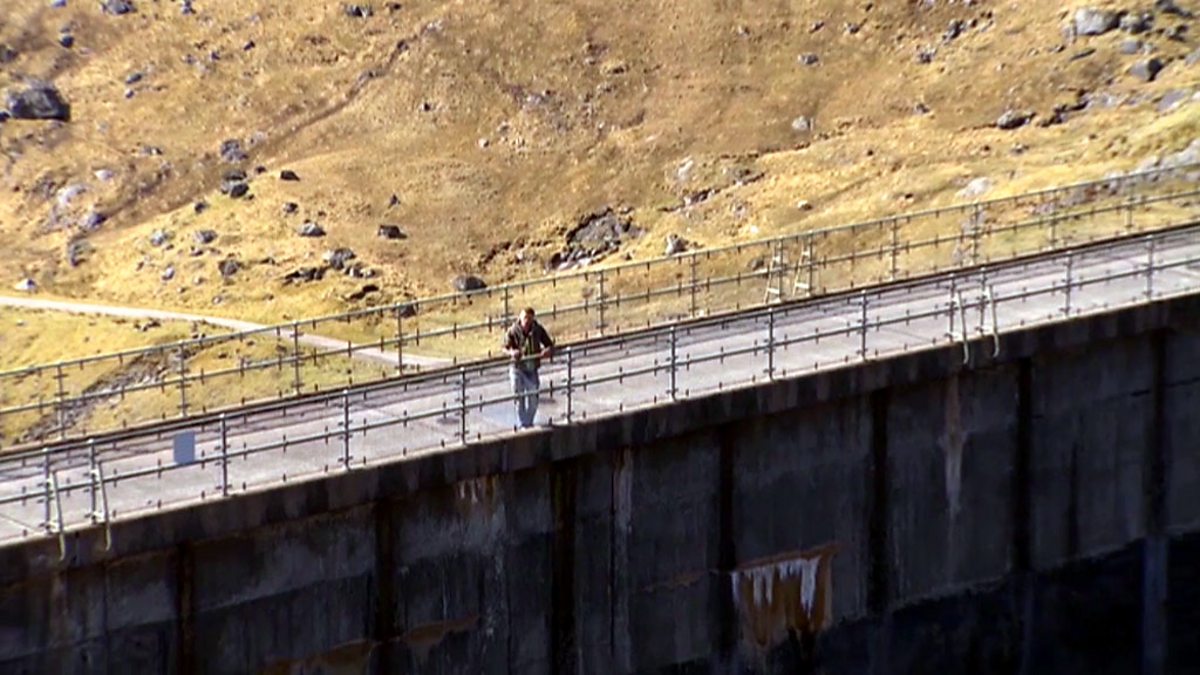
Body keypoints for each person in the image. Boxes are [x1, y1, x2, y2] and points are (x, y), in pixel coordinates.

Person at [503, 307, 555, 428]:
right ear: (520, 318)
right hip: (517, 368)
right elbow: (504, 347)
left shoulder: (538, 330)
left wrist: (547, 351)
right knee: (519, 397)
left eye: (529, 319)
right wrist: (512, 352)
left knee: (533, 398)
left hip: (531, 369)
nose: (527, 322)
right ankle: (524, 425)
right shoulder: (513, 330)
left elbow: (550, 345)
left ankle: (528, 421)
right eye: (525, 318)